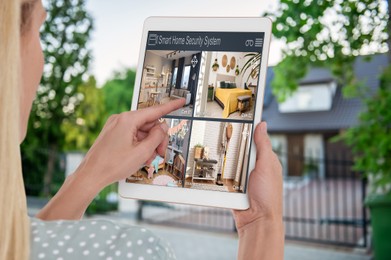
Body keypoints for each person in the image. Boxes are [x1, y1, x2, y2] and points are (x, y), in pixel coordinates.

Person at [0, 0, 284, 259]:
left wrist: (88, 175)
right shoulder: (133, 251)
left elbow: (30, 248)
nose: (44, 59)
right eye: (39, 29)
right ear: (9, 49)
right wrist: (262, 223)